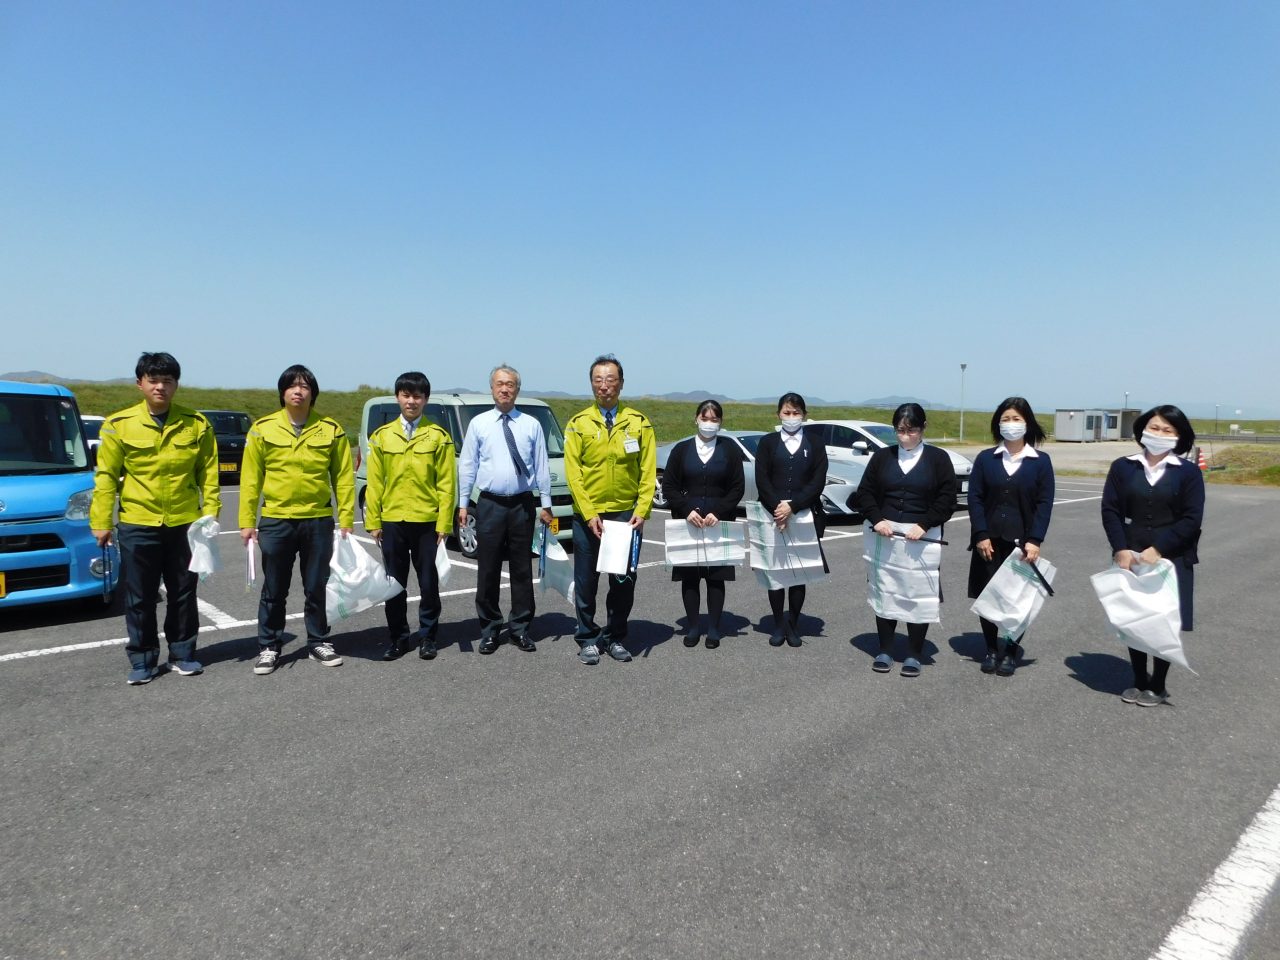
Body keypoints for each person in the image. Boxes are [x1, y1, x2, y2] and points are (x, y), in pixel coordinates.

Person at [90, 352, 220, 685]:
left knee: (183, 593)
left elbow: (209, 472)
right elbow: (106, 477)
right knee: (140, 596)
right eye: (153, 380)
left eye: (167, 381)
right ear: (140, 384)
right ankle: (143, 659)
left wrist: (211, 515)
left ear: (177, 384)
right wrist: (101, 520)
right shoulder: (119, 425)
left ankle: (183, 653)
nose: (160, 386)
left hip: (185, 523)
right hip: (138, 523)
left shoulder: (196, 423)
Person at [239, 364, 355, 676]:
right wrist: (246, 521)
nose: (298, 390)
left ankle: (319, 640)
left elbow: (343, 478)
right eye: (292, 385)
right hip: (276, 521)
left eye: (304, 386)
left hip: (317, 521)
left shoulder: (331, 429)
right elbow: (251, 479)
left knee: (317, 585)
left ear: (313, 393)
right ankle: (269, 646)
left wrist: (346, 518)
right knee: (274, 588)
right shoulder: (263, 429)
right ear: (283, 392)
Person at [1101, 405, 1204, 707]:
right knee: (1134, 618)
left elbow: (1191, 518)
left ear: (1179, 436)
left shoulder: (1188, 472)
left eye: (1167, 430)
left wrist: (1159, 549)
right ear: (1143, 430)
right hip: (1130, 555)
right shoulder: (1123, 466)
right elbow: (1110, 510)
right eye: (1154, 428)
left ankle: (1158, 684)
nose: (1159, 434)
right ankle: (1138, 679)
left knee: (1163, 620)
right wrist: (1120, 548)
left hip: (1171, 558)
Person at [562, 354, 657, 665]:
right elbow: (573, 473)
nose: (604, 386)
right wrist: (589, 513)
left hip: (624, 518)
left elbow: (647, 471)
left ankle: (615, 636)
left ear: (621, 383)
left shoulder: (639, 423)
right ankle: (587, 637)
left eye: (610, 379)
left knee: (622, 582)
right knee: (586, 581)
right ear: (592, 384)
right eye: (598, 380)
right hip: (588, 517)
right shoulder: (578, 424)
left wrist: (642, 510)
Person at [852, 402, 956, 677]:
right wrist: (877, 519)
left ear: (923, 429)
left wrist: (924, 524)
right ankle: (885, 649)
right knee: (886, 588)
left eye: (911, 430)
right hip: (885, 535)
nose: (904, 435)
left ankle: (914, 653)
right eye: (899, 430)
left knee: (916, 592)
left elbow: (948, 500)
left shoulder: (938, 459)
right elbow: (865, 493)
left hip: (921, 537)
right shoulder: (882, 457)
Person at [456, 364, 553, 654]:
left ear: (517, 389)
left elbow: (542, 466)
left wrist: (545, 503)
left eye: (510, 384)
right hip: (490, 504)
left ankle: (520, 629)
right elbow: (468, 466)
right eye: (500, 383)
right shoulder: (480, 424)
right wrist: (463, 504)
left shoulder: (530, 424)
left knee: (522, 568)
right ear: (491, 387)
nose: (505, 389)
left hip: (522, 504)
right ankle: (489, 629)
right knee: (488, 569)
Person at [366, 371, 456, 662]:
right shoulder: (381, 437)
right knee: (394, 584)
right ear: (397, 397)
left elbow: (446, 484)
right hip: (393, 520)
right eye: (406, 394)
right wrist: (373, 522)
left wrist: (444, 524)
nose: (411, 401)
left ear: (426, 399)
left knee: (429, 583)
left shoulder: (439, 437)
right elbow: (375, 482)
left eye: (417, 395)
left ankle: (428, 637)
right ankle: (398, 638)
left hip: (427, 521)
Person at [967, 398, 1055, 676]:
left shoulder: (1040, 462)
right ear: (997, 423)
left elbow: (1044, 503)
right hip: (989, 542)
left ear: (1027, 422)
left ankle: (1010, 650)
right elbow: (975, 499)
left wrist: (1035, 539)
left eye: (1016, 418)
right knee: (988, 595)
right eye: (1005, 418)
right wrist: (981, 534)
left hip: (1022, 543)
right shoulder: (985, 459)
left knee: (1017, 599)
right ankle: (991, 648)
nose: (1011, 424)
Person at [660, 400, 745, 649]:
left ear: (720, 422)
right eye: (705, 418)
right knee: (691, 575)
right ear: (696, 419)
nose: (709, 423)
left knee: (715, 576)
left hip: (719, 520)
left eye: (714, 419)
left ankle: (714, 629)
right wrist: (686, 510)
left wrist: (720, 511)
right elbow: (669, 486)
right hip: (689, 521)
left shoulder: (729, 450)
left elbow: (737, 487)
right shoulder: (681, 450)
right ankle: (694, 627)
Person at [753, 393, 829, 648]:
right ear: (778, 415)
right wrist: (778, 509)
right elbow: (761, 479)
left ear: (804, 415)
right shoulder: (767, 442)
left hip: (803, 512)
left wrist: (793, 507)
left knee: (799, 572)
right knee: (775, 572)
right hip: (772, 512)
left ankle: (793, 625)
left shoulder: (815, 443)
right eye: (787, 413)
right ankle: (777, 625)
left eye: (796, 413)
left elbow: (818, 480)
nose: (791, 418)